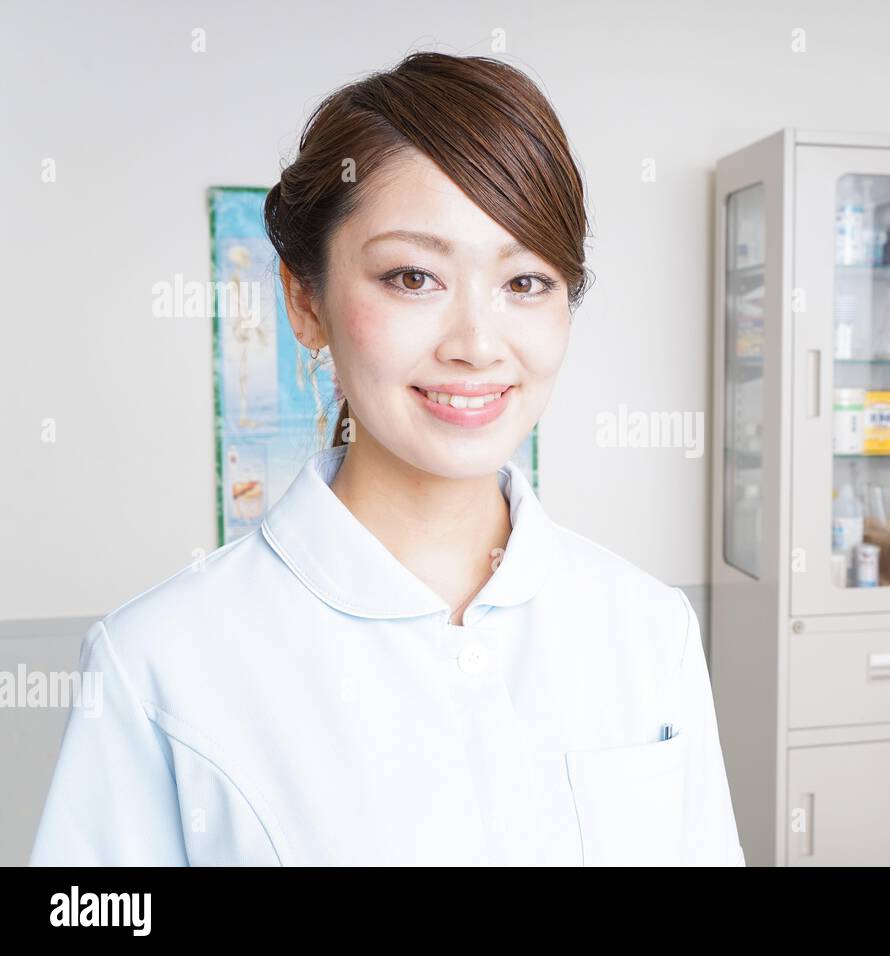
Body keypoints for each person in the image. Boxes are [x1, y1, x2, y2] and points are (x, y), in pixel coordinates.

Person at [28, 51, 744, 866]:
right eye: (413, 276)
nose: (476, 344)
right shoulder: (158, 664)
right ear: (306, 301)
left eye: (526, 282)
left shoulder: (648, 631)